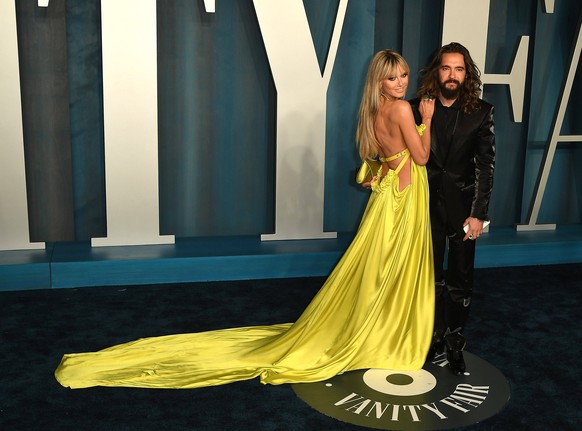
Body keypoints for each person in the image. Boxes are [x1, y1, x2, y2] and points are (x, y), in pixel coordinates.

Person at [54, 50, 435, 390]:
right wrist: (427, 121)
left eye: (403, 75)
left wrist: (380, 172)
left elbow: (372, 158)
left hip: (386, 198)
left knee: (377, 269)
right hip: (404, 199)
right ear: (379, 82)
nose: (401, 83)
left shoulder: (372, 112)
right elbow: (420, 158)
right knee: (393, 268)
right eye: (392, 77)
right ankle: (386, 335)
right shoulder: (403, 110)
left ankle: (379, 330)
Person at [409, 42, 495, 375]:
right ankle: (431, 338)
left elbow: (486, 166)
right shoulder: (417, 107)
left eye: (459, 69)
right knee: (428, 279)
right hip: (423, 206)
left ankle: (455, 342)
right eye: (446, 68)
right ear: (436, 71)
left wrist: (479, 213)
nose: (452, 75)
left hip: (464, 210)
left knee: (460, 280)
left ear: (467, 74)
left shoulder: (482, 111)